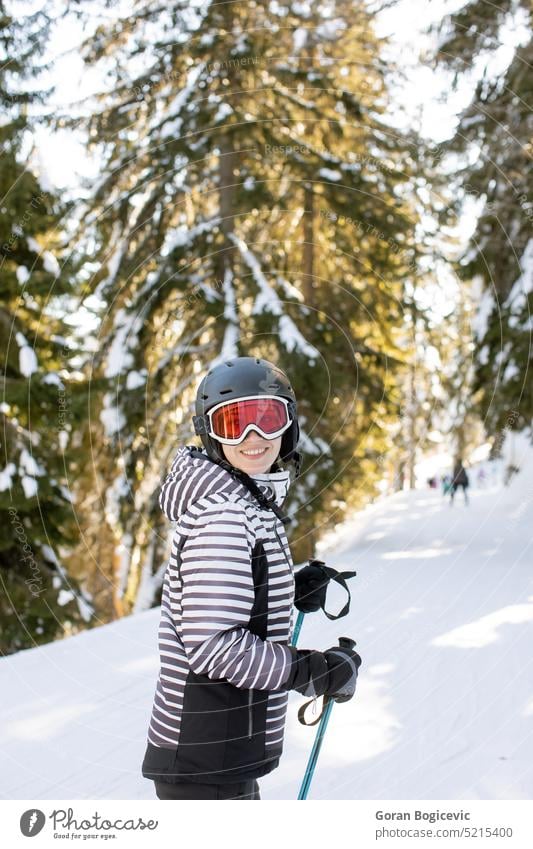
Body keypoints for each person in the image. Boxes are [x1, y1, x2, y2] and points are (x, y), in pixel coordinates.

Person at [141, 356, 361, 800]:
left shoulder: (241, 501)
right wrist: (312, 671)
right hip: (206, 762)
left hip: (215, 754)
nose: (253, 437)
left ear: (289, 425)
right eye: (233, 423)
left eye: (267, 418)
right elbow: (213, 646)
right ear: (209, 433)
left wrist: (287, 590)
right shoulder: (223, 514)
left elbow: (229, 597)